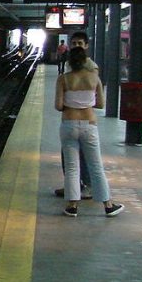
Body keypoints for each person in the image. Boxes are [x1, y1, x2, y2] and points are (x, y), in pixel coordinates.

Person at [55, 46, 124, 217]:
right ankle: (108, 205)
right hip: (89, 124)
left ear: (69, 62)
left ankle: (72, 206)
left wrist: (72, 103)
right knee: (96, 166)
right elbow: (100, 104)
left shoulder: (63, 79)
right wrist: (85, 102)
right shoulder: (94, 79)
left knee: (72, 167)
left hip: (69, 124)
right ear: (85, 61)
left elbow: (58, 106)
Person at [54, 31, 96, 199]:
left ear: (86, 46)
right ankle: (73, 187)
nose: (76, 46)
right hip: (78, 121)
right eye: (74, 43)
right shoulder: (71, 65)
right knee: (69, 157)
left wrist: (72, 103)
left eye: (80, 44)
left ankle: (84, 187)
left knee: (82, 158)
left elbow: (95, 97)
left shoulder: (91, 67)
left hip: (79, 120)